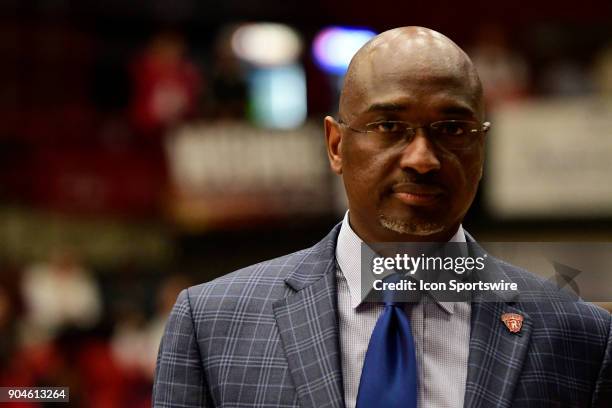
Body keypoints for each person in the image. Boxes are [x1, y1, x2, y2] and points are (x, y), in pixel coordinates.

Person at [153, 27, 612, 407]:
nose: (422, 158)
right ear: (336, 145)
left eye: (452, 128)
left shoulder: (579, 335)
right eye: (389, 126)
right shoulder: (213, 324)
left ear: (481, 146)